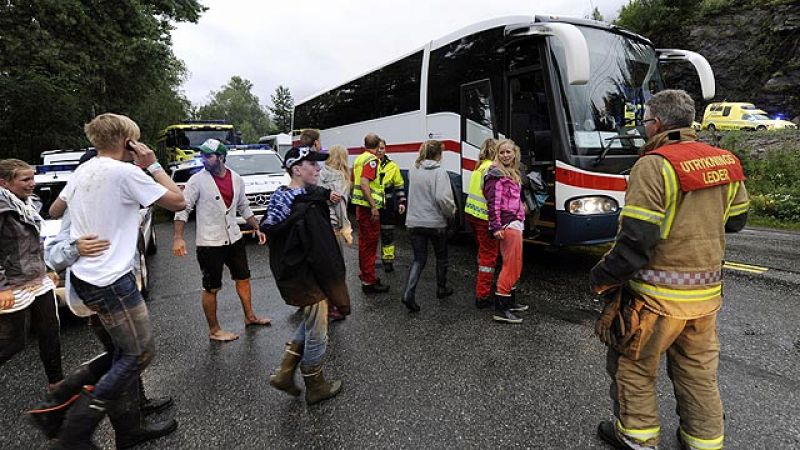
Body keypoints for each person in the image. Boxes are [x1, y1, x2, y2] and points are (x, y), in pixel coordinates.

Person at [590, 90, 750, 450]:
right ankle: (703, 441)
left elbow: (636, 239)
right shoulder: (725, 160)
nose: (645, 127)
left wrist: (602, 277)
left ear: (657, 123)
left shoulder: (654, 164)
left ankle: (636, 437)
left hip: (654, 300)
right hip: (706, 299)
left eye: (646, 121)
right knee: (698, 372)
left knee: (633, 366)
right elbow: (737, 221)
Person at [47, 113, 186, 449]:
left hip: (86, 279)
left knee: (122, 353)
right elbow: (179, 201)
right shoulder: (125, 172)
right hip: (112, 281)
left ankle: (79, 404)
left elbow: (53, 210)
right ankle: (73, 427)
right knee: (139, 354)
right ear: (128, 142)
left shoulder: (85, 169)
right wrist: (152, 165)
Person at [28, 206, 176, 449]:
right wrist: (75, 248)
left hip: (121, 293)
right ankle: (71, 419)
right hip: (102, 298)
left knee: (125, 357)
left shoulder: (114, 203)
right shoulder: (83, 208)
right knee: (129, 357)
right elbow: (53, 254)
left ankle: (132, 415)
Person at [262, 146, 351, 405]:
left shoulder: (293, 197)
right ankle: (315, 384)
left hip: (298, 276)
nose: (318, 168)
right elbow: (320, 250)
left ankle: (285, 372)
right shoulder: (303, 206)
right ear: (296, 169)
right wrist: (334, 282)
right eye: (312, 164)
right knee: (318, 331)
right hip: (308, 278)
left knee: (311, 322)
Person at [172, 138, 271, 342]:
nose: (203, 159)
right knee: (211, 287)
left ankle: (249, 316)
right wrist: (178, 237)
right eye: (203, 155)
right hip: (209, 242)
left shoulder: (236, 178)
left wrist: (256, 227)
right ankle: (214, 329)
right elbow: (184, 208)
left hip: (233, 237)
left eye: (208, 155)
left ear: (221, 157)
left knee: (243, 278)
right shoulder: (197, 180)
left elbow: (243, 206)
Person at [0, 159, 64, 389]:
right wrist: (2, 287)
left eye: (32, 178)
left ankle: (57, 385)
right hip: (12, 283)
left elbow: (33, 243)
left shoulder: (25, 204)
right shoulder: (3, 206)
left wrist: (47, 268)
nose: (32, 184)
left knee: (50, 330)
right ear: (4, 183)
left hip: (36, 278)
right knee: (13, 342)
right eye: (25, 179)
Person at [400, 140, 456, 312]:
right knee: (441, 257)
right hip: (435, 223)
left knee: (419, 259)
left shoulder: (413, 170)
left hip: (414, 222)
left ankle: (408, 293)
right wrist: (451, 212)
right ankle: (441, 288)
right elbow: (442, 198)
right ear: (439, 154)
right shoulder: (440, 172)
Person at [484, 140, 529, 324]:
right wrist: (495, 227)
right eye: (501, 152)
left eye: (508, 152)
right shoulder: (495, 175)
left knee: (516, 265)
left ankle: (510, 302)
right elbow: (493, 203)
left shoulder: (512, 173)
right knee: (510, 266)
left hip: (516, 222)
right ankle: (501, 308)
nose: (505, 155)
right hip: (507, 225)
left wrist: (521, 208)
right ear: (497, 154)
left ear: (514, 153)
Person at [352, 133, 390, 293]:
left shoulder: (359, 158)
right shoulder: (372, 160)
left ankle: (367, 276)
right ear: (376, 145)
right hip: (368, 209)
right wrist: (374, 206)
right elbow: (364, 182)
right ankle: (369, 280)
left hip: (360, 207)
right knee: (370, 245)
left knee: (364, 244)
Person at [464, 138, 499, 309]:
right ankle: (482, 295)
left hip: (472, 215)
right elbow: (492, 199)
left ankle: (483, 283)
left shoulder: (478, 167)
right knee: (489, 257)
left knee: (482, 252)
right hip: (485, 218)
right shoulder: (491, 169)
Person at [319, 143, 352, 322]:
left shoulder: (321, 173)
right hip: (333, 226)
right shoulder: (340, 177)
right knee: (337, 269)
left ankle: (322, 304)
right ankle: (334, 306)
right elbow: (340, 206)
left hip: (320, 225)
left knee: (324, 268)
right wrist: (345, 228)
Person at [377, 138, 406, 273]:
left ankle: (388, 261)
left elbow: (399, 185)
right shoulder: (369, 164)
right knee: (371, 235)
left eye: (382, 148)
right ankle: (370, 261)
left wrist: (401, 202)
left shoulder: (392, 166)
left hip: (387, 206)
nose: (379, 151)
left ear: (385, 149)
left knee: (388, 234)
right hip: (372, 204)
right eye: (377, 148)